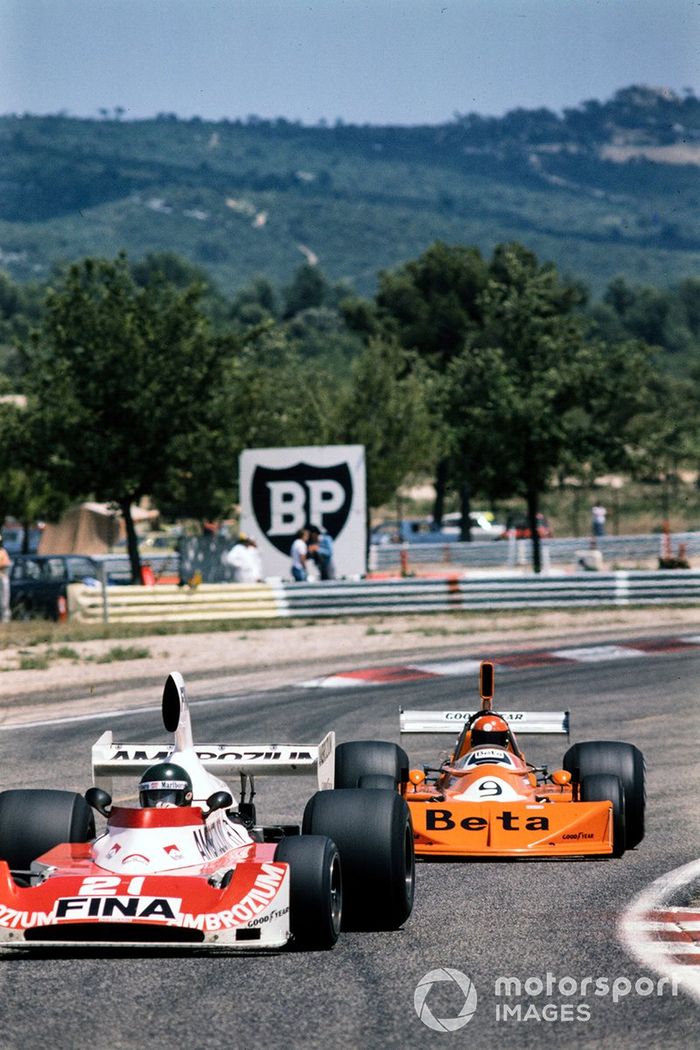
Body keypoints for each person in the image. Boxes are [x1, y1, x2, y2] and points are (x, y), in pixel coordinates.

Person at [0, 535, 11, 623]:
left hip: (2, 578)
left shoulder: (3, 552)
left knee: (4, 600)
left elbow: (5, 565)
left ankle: (5, 618)